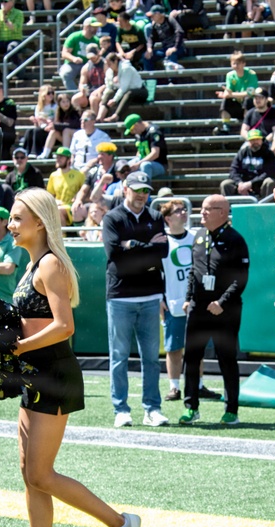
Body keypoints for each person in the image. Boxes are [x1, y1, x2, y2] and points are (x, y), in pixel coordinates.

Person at [0, 188, 141, 527]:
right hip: (32, 374)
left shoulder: (51, 265)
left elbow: (65, 326)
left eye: (16, 218)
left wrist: (18, 345)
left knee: (41, 474)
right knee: (29, 473)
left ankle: (121, 523)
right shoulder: (29, 267)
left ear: (39, 222)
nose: (10, 225)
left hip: (53, 375)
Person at [102, 170, 170, 428]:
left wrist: (132, 245)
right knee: (119, 356)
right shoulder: (112, 217)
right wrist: (145, 246)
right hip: (121, 297)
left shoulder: (155, 216)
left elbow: (162, 250)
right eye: (137, 189)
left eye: (146, 191)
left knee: (151, 358)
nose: (142, 195)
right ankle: (121, 408)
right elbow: (114, 253)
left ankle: (152, 408)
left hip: (151, 295)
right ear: (125, 188)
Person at [178, 195, 249, 426]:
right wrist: (188, 298)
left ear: (223, 212)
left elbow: (241, 278)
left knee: (226, 359)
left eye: (208, 209)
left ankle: (231, 410)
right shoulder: (198, 236)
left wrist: (222, 302)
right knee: (191, 357)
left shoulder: (235, 239)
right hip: (198, 309)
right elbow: (193, 271)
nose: (202, 213)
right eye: (202, 209)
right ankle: (191, 407)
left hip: (224, 311)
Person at [160, 199, 196, 401]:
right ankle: (174, 387)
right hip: (173, 301)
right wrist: (159, 299)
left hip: (195, 302)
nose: (183, 213)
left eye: (184, 209)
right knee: (174, 348)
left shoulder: (195, 237)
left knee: (196, 347)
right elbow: (155, 273)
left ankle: (198, 385)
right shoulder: (163, 242)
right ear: (167, 218)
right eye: (177, 211)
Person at [221, 129, 275, 197]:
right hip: (242, 184)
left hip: (259, 184)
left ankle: (267, 206)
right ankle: (228, 207)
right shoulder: (242, 153)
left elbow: (269, 173)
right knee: (225, 184)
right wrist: (240, 183)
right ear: (248, 141)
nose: (255, 142)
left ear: (262, 140)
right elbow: (233, 170)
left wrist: (251, 183)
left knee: (270, 182)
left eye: (257, 139)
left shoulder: (269, 154)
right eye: (252, 140)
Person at [46, 146, 85, 226]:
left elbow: (85, 191)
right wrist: (55, 201)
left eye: (61, 157)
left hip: (73, 206)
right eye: (57, 157)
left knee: (59, 211)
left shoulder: (79, 175)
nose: (58, 159)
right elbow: (49, 195)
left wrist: (78, 198)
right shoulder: (53, 175)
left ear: (68, 159)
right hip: (58, 206)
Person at [123, 113, 169, 180]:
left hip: (158, 164)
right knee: (127, 165)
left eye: (132, 130)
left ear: (136, 125)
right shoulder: (138, 135)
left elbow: (155, 154)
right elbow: (139, 152)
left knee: (145, 165)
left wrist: (138, 164)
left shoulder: (153, 131)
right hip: (142, 161)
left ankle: (145, 189)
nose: (132, 133)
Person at [60, 19, 99, 91]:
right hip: (72, 64)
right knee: (65, 73)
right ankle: (75, 94)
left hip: (89, 65)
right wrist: (74, 58)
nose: (97, 29)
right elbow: (64, 53)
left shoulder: (96, 40)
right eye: (94, 27)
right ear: (87, 27)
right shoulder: (74, 36)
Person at [144, 5, 185, 72]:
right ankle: (150, 80)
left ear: (158, 14)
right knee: (146, 56)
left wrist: (175, 47)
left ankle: (172, 81)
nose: (151, 18)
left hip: (178, 48)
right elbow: (151, 38)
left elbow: (180, 32)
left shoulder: (170, 19)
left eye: (153, 15)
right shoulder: (155, 25)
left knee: (171, 54)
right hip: (165, 49)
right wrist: (149, 48)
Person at [0, 0, 23, 64]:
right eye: (1, 1)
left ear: (12, 2)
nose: (3, 3)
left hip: (15, 40)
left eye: (5, 1)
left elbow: (16, 29)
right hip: (2, 41)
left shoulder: (19, 13)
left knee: (11, 49)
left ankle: (16, 66)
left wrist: (5, 20)